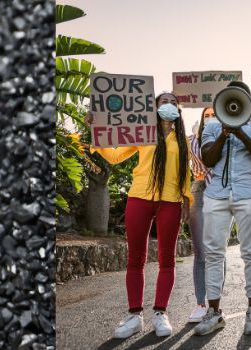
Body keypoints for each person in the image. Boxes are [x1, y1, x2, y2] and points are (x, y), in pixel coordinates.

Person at [87, 92, 192, 339]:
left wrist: (187, 199)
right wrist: (93, 129)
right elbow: (114, 155)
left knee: (167, 259)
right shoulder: (142, 132)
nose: (169, 105)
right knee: (136, 258)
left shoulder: (182, 139)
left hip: (170, 201)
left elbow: (184, 171)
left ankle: (160, 313)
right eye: (164, 102)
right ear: (154, 108)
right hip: (139, 197)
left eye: (173, 103)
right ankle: (134, 316)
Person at [193, 81, 251, 336]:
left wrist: (241, 133)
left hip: (248, 194)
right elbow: (208, 159)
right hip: (216, 195)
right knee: (214, 253)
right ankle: (214, 312)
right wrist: (225, 134)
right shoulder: (213, 126)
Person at [185, 106, 219, 323]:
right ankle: (200, 303)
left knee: (217, 251)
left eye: (214, 115)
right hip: (198, 189)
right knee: (200, 252)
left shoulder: (228, 137)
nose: (210, 118)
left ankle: (215, 303)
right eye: (206, 116)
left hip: (221, 192)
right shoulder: (191, 140)